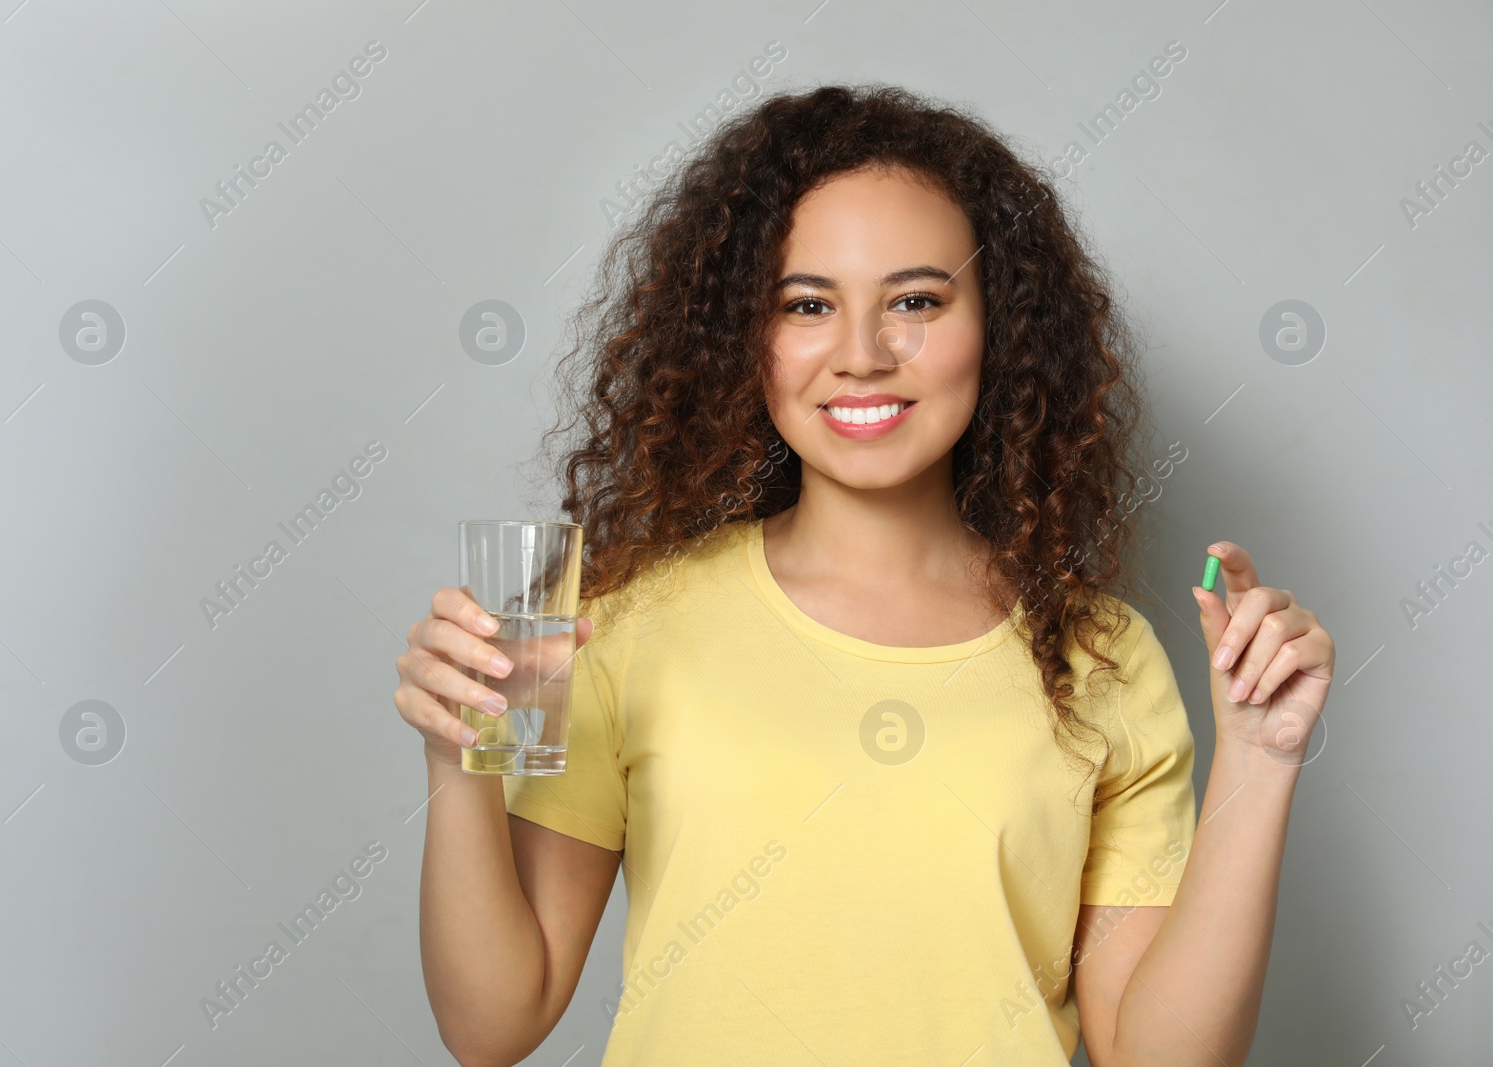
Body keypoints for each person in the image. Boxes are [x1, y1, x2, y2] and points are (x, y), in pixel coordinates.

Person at [394, 83, 1335, 1067]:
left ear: (999, 328)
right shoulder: (617, 620)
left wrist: (1260, 763)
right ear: (740, 340)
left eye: (916, 301)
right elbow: (492, 1023)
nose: (861, 355)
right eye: (805, 305)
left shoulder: (1099, 654)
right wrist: (458, 764)